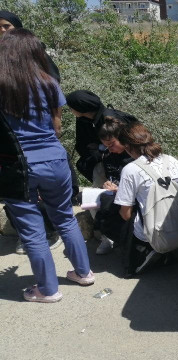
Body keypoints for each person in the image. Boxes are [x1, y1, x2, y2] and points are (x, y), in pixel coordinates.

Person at [0, 28, 94, 303]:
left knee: (32, 230)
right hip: (55, 158)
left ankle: (48, 290)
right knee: (65, 216)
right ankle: (83, 272)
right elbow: (57, 126)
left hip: (18, 165)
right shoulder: (49, 82)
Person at [0, 9, 72, 254]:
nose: (2, 31)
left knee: (46, 194)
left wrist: (55, 127)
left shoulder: (34, 54)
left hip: (38, 139)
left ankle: (47, 232)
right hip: (10, 143)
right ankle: (28, 233)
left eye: (6, 26)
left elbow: (53, 93)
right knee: (16, 193)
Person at [113, 122, 178, 275]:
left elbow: (125, 214)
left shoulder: (131, 169)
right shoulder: (173, 161)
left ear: (128, 147)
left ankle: (145, 250)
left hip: (151, 232)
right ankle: (168, 251)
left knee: (113, 209)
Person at [66, 90, 135, 187]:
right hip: (104, 160)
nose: (71, 111)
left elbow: (126, 146)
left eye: (70, 108)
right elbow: (82, 144)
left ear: (80, 108)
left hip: (125, 162)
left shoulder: (110, 119)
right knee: (83, 164)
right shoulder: (84, 120)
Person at [92, 117, 131, 255]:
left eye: (112, 144)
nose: (111, 149)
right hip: (115, 194)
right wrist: (108, 184)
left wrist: (120, 190)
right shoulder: (109, 157)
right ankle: (107, 237)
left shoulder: (133, 155)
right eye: (107, 146)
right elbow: (112, 177)